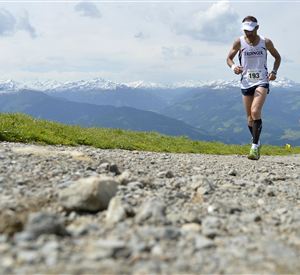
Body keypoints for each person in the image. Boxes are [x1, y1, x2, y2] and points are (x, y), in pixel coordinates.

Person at [226, 15, 281, 160]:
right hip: (246, 82)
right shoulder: (239, 42)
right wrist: (233, 68)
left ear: (257, 28)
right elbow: (228, 58)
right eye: (246, 30)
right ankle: (257, 140)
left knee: (255, 111)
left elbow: (277, 57)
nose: (248, 33)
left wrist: (274, 72)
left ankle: (254, 147)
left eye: (251, 30)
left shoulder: (265, 42)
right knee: (249, 118)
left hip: (262, 80)